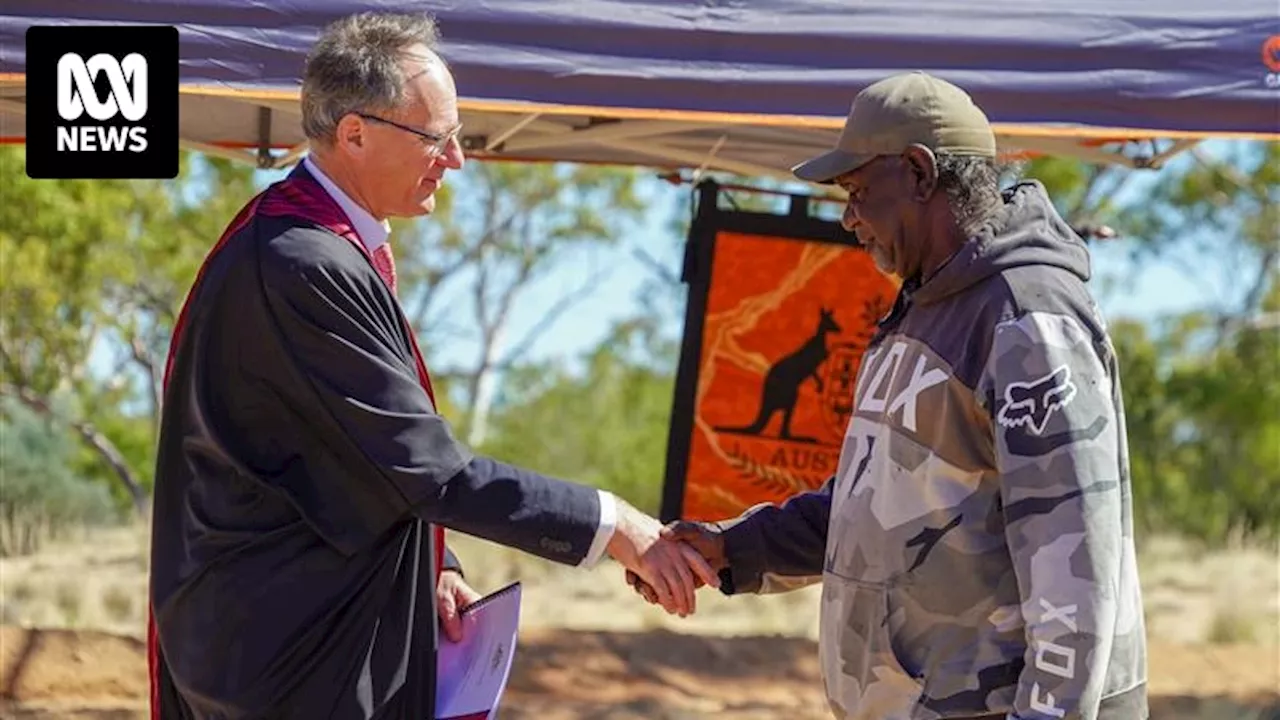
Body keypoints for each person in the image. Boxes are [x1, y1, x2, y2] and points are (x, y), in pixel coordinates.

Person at [147, 12, 716, 720]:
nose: (457, 160)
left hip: (297, 644)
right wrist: (616, 525)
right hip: (290, 663)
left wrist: (435, 570)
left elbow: (342, 456)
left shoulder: (309, 245)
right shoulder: (300, 263)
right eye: (437, 139)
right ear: (353, 133)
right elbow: (427, 468)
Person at [629, 72, 1149, 720]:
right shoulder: (923, 309)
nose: (848, 217)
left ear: (919, 172)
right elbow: (869, 508)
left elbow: (1077, 571)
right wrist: (733, 548)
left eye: (857, 191)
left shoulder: (1024, 317)